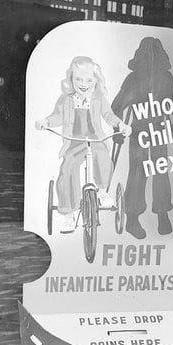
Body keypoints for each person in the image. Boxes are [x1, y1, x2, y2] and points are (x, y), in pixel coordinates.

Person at [36, 56, 131, 233]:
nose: (83, 84)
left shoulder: (98, 99)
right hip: (74, 140)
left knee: (103, 157)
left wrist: (121, 125)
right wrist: (46, 122)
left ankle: (102, 192)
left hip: (95, 138)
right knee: (67, 169)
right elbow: (57, 116)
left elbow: (109, 116)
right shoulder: (66, 100)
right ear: (71, 79)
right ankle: (68, 214)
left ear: (96, 81)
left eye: (88, 80)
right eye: (78, 79)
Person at [111, 37, 173, 239]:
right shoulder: (134, 79)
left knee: (160, 169)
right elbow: (117, 106)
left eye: (154, 55)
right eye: (147, 56)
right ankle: (132, 217)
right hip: (139, 130)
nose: (151, 60)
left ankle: (162, 212)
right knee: (138, 171)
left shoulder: (166, 78)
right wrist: (117, 130)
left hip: (160, 131)